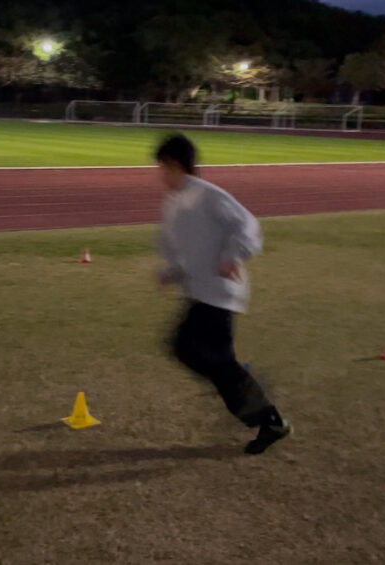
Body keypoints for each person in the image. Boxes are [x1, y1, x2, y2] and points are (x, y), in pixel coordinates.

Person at [155, 134, 291, 454]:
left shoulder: (209, 196)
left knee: (188, 348)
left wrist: (233, 255)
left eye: (162, 167)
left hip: (219, 291)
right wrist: (173, 271)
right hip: (200, 291)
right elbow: (180, 247)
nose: (159, 175)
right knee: (198, 354)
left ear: (175, 165)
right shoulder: (175, 203)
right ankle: (257, 404)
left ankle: (262, 409)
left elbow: (247, 226)